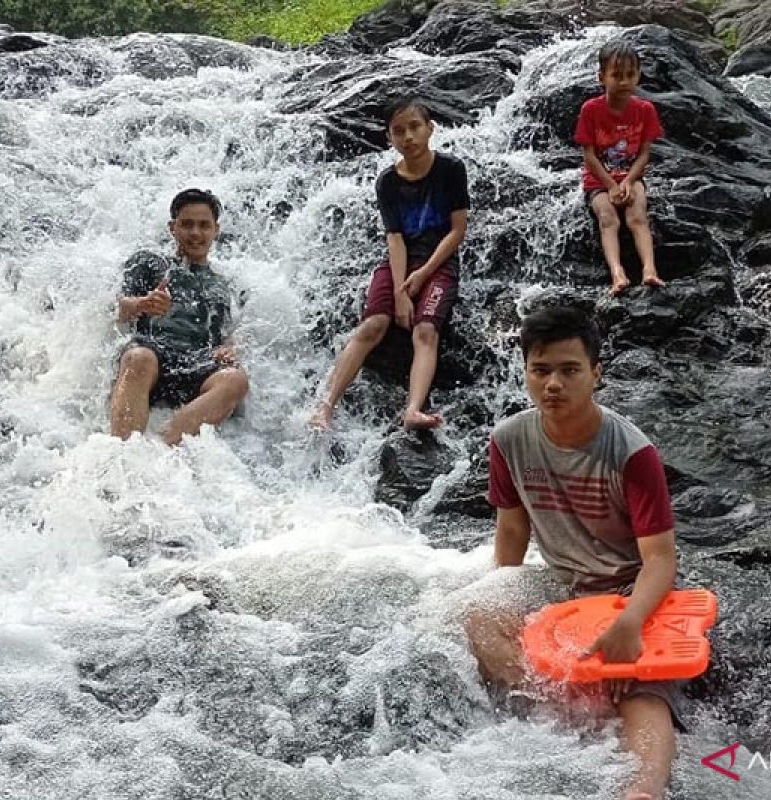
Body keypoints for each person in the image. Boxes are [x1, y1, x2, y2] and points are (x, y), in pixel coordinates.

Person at [467, 306, 681, 800]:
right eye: (540, 371)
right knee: (478, 616)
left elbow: (661, 560)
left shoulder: (633, 452)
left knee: (645, 688)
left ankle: (643, 789)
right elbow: (513, 529)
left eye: (569, 370)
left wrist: (630, 622)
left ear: (596, 375)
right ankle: (568, 697)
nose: (554, 384)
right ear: (525, 373)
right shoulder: (509, 439)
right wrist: (505, 593)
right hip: (560, 583)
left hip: (629, 586)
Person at [308, 98, 470, 431]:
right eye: (399, 131)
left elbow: (458, 230)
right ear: (389, 138)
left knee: (425, 330)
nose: (408, 137)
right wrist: (400, 291)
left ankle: (413, 409)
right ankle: (325, 406)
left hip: (438, 264)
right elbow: (394, 239)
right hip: (399, 262)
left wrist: (423, 274)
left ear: (430, 129)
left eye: (414, 127)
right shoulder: (387, 182)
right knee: (372, 326)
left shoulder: (451, 170)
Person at [109, 188, 248, 446]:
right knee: (138, 356)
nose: (195, 233)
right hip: (153, 356)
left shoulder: (225, 285)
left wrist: (230, 349)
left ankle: (162, 447)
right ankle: (123, 453)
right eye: (187, 224)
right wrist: (143, 303)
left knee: (235, 379)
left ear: (216, 230)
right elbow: (115, 307)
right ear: (172, 228)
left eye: (204, 225)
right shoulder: (149, 262)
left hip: (197, 365)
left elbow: (229, 333)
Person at [575, 40, 666, 297]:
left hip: (630, 177)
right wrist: (611, 185)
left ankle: (649, 270)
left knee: (637, 216)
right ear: (601, 77)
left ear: (638, 75)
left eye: (630, 75)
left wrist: (627, 183)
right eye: (616, 75)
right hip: (599, 181)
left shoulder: (645, 110)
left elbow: (645, 153)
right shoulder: (591, 110)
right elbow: (589, 156)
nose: (624, 82)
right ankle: (618, 273)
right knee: (607, 217)